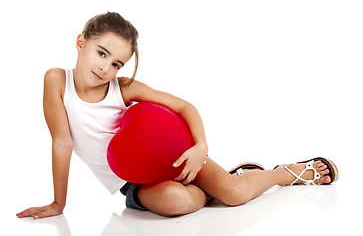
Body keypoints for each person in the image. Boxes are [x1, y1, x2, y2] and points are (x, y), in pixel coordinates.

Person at [16, 12, 338, 219]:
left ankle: (282, 173)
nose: (105, 67)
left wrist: (199, 148)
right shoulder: (57, 80)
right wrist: (59, 204)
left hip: (174, 155)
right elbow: (62, 142)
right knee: (176, 202)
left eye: (116, 63)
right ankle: (224, 181)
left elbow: (185, 107)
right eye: (102, 53)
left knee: (235, 195)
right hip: (134, 179)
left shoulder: (123, 88)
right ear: (80, 42)